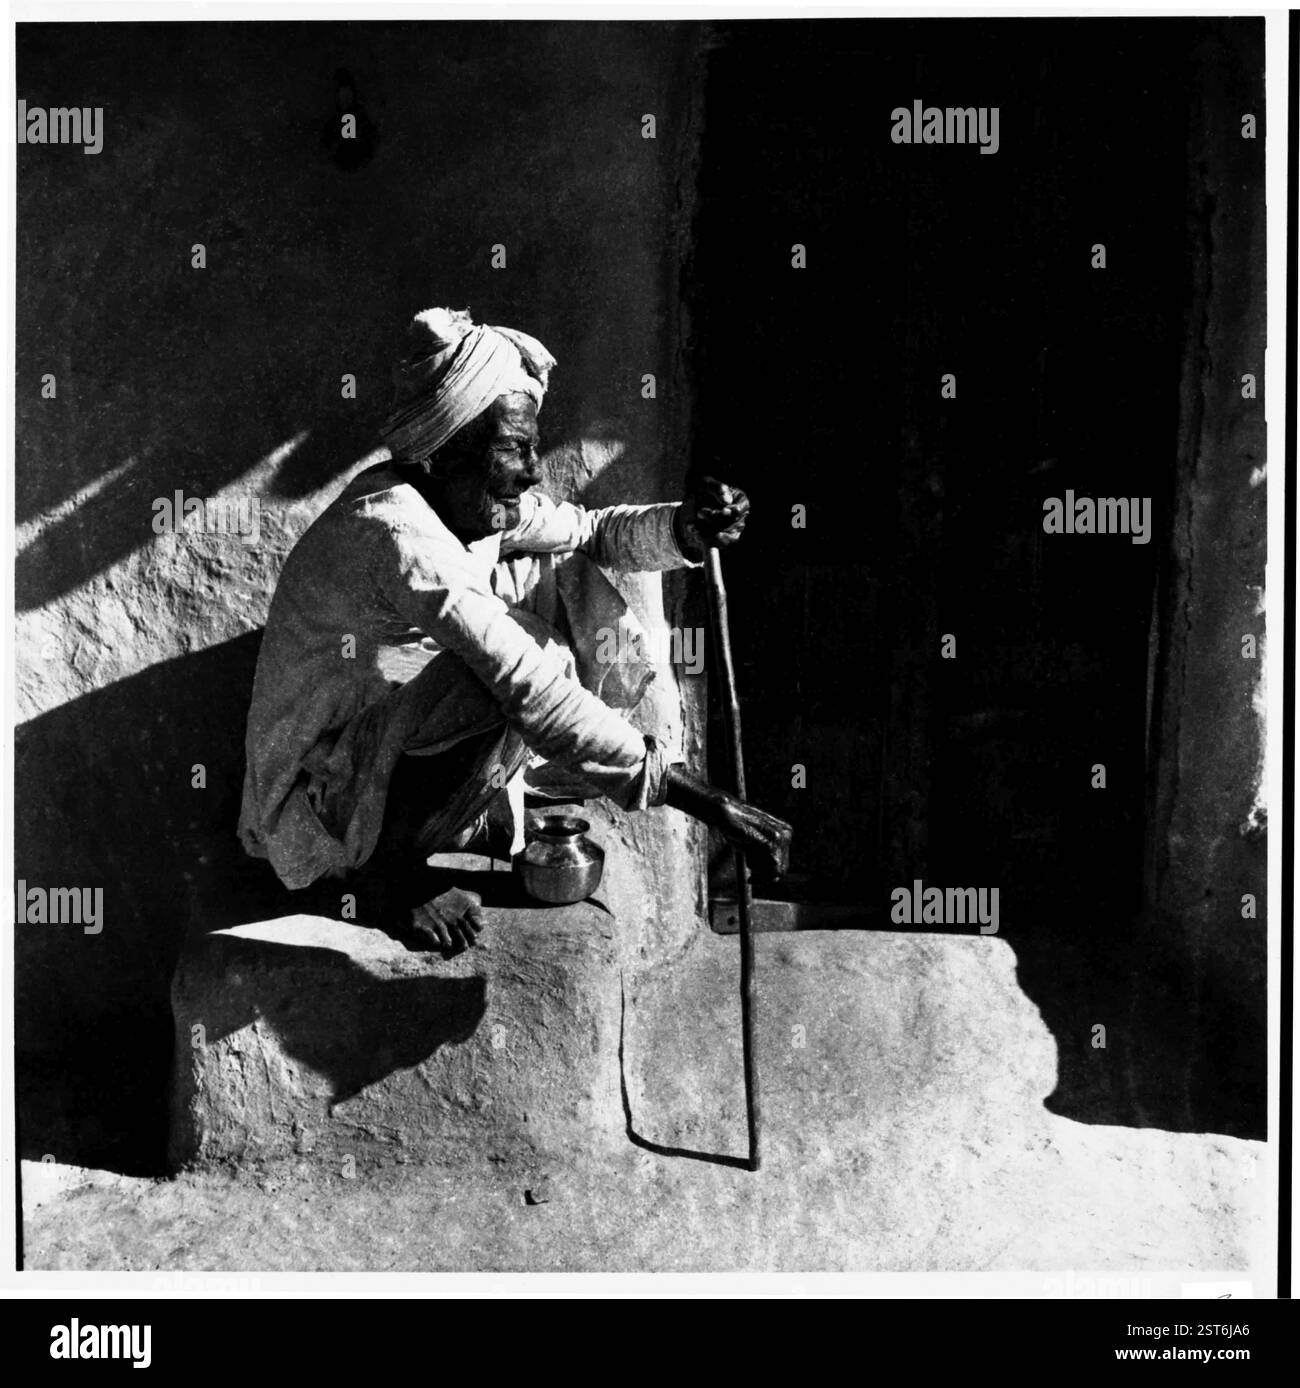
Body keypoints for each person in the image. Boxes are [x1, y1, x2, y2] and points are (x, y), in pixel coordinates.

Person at [238, 306, 790, 951]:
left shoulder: (459, 499)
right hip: (321, 807)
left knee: (552, 579)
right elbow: (525, 683)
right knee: (509, 669)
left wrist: (684, 530)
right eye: (514, 448)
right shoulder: (395, 532)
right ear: (448, 451)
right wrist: (700, 798)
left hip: (374, 761)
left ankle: (466, 815)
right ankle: (389, 883)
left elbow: (590, 531)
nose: (531, 470)